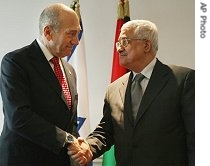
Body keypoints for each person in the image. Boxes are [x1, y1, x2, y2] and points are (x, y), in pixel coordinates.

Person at [70, 20, 195, 166]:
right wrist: (88, 147)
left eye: (125, 41)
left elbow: (197, 138)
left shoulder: (183, 80)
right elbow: (106, 131)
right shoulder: (114, 89)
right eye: (118, 43)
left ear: (146, 45)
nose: (119, 49)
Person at [0, 3, 92, 166]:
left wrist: (78, 142)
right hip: (24, 160)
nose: (76, 41)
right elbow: (18, 116)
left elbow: (68, 119)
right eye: (71, 34)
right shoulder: (16, 62)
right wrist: (68, 139)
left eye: (78, 34)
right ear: (48, 32)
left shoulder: (69, 69)